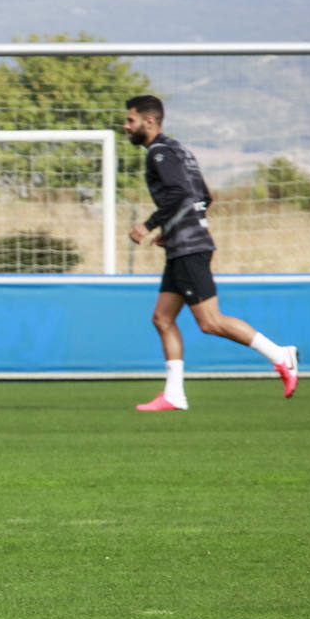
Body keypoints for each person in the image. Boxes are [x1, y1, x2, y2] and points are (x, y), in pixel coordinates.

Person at [124, 94, 299, 410]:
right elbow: (203, 196)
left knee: (210, 322)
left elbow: (178, 193)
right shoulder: (179, 149)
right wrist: (173, 228)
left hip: (189, 249)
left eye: (130, 120)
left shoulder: (158, 154)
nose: (126, 126)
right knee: (163, 318)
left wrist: (148, 225)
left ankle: (279, 354)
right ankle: (174, 394)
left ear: (149, 121)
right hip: (185, 244)